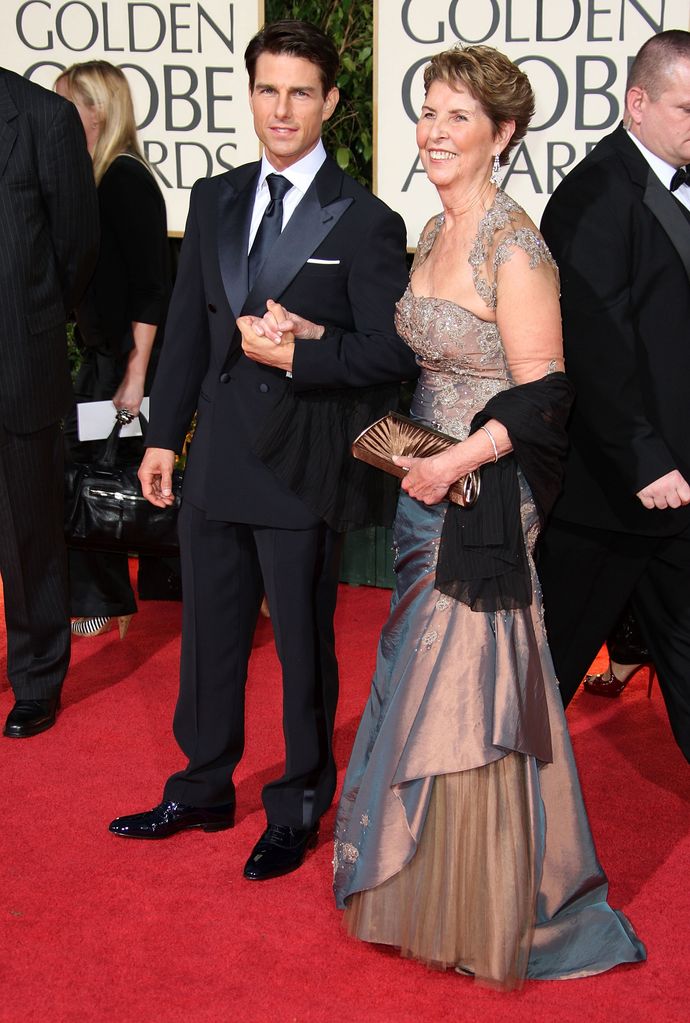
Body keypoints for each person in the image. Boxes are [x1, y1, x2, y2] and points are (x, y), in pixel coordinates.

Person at [332, 45, 645, 988]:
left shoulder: (516, 245)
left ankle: (494, 904)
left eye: (458, 116)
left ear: (504, 134)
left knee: (467, 684)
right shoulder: (434, 229)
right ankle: (425, 877)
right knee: (419, 667)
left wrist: (459, 461)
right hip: (426, 480)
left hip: (486, 494)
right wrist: (312, 341)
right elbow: (429, 358)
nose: (434, 131)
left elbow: (546, 390)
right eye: (428, 111)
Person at [108, 20, 418, 881]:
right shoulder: (212, 197)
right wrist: (164, 436)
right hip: (215, 461)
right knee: (207, 635)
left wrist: (304, 348)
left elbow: (391, 353)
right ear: (250, 95)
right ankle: (203, 785)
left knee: (301, 648)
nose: (281, 109)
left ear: (331, 101)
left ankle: (299, 803)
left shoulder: (364, 220)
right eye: (267, 89)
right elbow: (182, 334)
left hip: (300, 467)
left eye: (300, 92)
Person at [537, 30, 690, 761]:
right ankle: (486, 824)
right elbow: (592, 346)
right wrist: (644, 458)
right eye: (687, 108)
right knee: (546, 672)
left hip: (675, 487)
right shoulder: (594, 195)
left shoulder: (674, 184)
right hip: (611, 494)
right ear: (638, 103)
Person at [55, 61, 172, 639]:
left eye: (66, 104)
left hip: (126, 362)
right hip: (107, 357)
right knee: (100, 470)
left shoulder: (125, 179)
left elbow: (154, 287)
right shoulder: (97, 177)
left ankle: (105, 595)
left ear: (98, 109)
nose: (57, 117)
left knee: (97, 471)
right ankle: (124, 588)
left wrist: (135, 374)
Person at [0, 67, 98, 739]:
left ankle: (36, 678)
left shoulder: (42, 119)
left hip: (17, 361)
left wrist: (35, 319)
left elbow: (77, 248)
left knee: (27, 530)